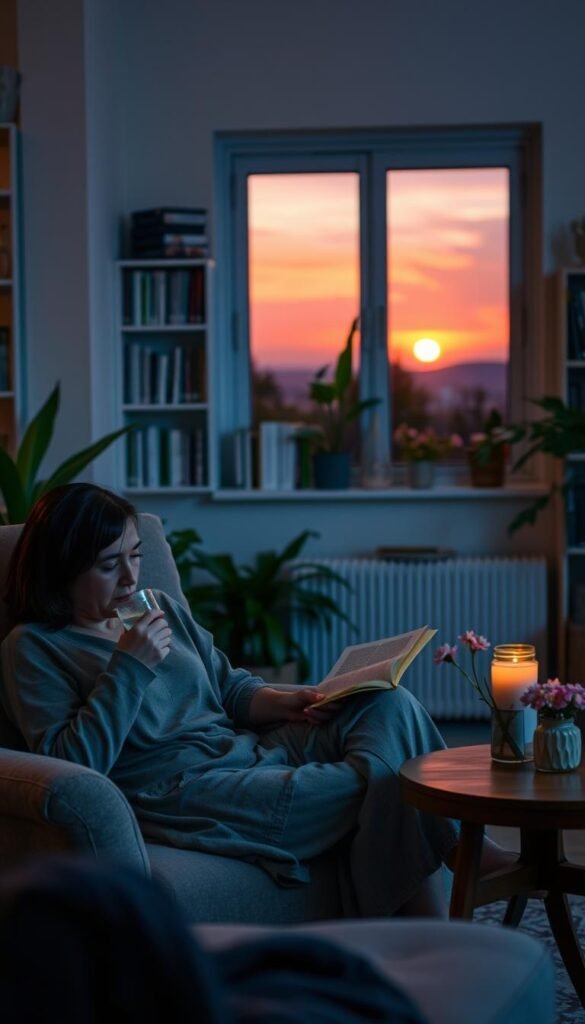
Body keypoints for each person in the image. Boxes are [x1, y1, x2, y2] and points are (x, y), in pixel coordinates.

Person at [0, 483, 507, 917]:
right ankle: (441, 913)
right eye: (110, 565)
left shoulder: (157, 607)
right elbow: (71, 764)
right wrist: (128, 670)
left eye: (135, 555)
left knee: (388, 705)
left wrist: (287, 702)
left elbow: (228, 686)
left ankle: (458, 866)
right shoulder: (34, 646)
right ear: (62, 570)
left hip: (246, 749)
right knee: (390, 780)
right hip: (181, 791)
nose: (133, 578)